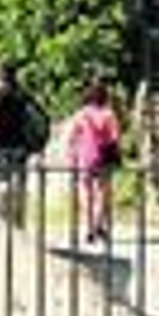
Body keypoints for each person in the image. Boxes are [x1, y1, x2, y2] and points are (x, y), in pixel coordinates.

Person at [0, 62, 49, 226]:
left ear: (0, 75)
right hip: (20, 147)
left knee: (0, 186)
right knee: (19, 186)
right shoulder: (23, 95)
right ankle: (18, 222)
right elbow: (40, 116)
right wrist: (38, 144)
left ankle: (2, 224)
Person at [66, 80, 123, 244]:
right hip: (104, 158)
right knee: (103, 192)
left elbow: (72, 137)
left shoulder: (81, 113)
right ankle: (98, 224)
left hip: (85, 157)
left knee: (86, 191)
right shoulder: (109, 114)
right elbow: (116, 137)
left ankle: (88, 227)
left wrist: (72, 156)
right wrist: (118, 153)